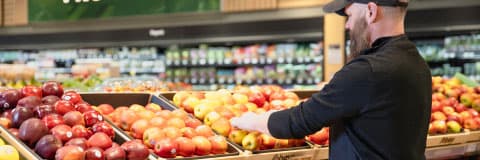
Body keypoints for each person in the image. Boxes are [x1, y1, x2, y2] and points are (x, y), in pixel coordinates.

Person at [230, 0, 432, 159]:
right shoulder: (417, 64)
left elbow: (300, 121)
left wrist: (248, 121)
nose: (348, 25)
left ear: (371, 11)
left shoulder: (367, 70)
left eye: (350, 15)